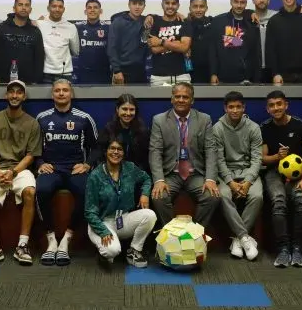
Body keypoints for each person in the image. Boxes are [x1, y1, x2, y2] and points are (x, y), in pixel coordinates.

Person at [0, 80, 40, 267]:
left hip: (20, 169)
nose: (14, 95)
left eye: (18, 92)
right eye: (11, 92)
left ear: (24, 97)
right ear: (6, 95)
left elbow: (31, 155)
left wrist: (13, 172)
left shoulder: (32, 123)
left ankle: (22, 245)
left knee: (29, 192)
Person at [35, 79, 98, 266]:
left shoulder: (84, 118)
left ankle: (66, 239)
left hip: (75, 169)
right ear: (52, 94)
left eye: (65, 90)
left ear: (71, 94)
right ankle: (52, 239)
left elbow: (96, 148)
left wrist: (87, 165)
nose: (61, 93)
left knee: (87, 192)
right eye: (57, 90)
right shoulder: (42, 118)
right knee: (41, 190)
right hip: (51, 168)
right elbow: (34, 147)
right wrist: (40, 163)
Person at [149, 82, 220, 226]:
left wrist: (210, 179)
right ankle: (172, 235)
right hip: (171, 174)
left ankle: (195, 234)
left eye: (185, 97)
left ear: (192, 100)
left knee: (211, 196)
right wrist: (159, 180)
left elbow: (211, 150)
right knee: (159, 197)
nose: (181, 100)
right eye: (177, 96)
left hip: (196, 173)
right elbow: (155, 151)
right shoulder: (159, 120)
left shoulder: (204, 119)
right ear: (172, 99)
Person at [260, 90, 302, 268]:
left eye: (279, 104)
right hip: (274, 172)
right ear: (268, 109)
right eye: (272, 105)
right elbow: (263, 158)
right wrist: (277, 157)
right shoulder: (264, 128)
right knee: (279, 200)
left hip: (299, 173)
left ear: (286, 105)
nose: (276, 108)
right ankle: (283, 249)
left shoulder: (301, 126)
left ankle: (297, 248)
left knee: (300, 199)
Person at [207, 91, 263, 260]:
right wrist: (231, 183)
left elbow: (257, 158)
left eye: (238, 107)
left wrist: (247, 182)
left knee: (257, 196)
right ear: (225, 108)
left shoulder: (253, 127)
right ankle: (245, 237)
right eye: (231, 107)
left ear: (244, 107)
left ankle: (238, 239)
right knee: (223, 195)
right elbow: (219, 160)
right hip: (226, 174)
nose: (235, 110)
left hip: (248, 172)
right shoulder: (217, 129)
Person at [85, 137, 156, 267]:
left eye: (119, 149)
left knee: (150, 215)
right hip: (101, 222)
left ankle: (134, 250)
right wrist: (103, 231)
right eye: (112, 148)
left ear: (124, 153)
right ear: (106, 151)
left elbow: (146, 179)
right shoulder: (95, 176)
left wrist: (145, 194)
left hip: (123, 219)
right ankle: (103, 251)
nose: (116, 152)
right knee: (113, 251)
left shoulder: (130, 168)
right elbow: (89, 211)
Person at [207, 0, 259, 85]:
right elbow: (213, 50)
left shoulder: (252, 23)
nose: (239, 5)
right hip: (223, 78)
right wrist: (213, 73)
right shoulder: (218, 22)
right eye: (236, 2)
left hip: (247, 79)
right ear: (231, 2)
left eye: (242, 2)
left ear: (246, 3)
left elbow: (255, 51)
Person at [0, 0, 44, 85]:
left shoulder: (35, 31)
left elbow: (39, 58)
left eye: (27, 5)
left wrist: (37, 80)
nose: (23, 8)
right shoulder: (1, 28)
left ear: (30, 10)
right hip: (4, 80)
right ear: (14, 8)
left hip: (28, 81)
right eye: (20, 5)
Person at [94, 93, 150, 172]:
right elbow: (99, 152)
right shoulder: (108, 129)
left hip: (136, 174)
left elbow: (145, 159)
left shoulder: (143, 131)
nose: (128, 113)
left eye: (131, 110)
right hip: (113, 173)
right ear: (117, 109)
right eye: (124, 109)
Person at [147, 0, 192, 86]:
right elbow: (154, 49)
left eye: (174, 3)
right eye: (167, 3)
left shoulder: (185, 22)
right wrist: (176, 44)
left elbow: (184, 48)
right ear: (162, 4)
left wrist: (161, 41)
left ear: (178, 5)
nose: (170, 6)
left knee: (183, 100)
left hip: (182, 75)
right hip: (158, 77)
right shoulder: (154, 22)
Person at [37, 0, 80, 83]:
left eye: (60, 7)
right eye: (54, 6)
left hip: (65, 73)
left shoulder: (71, 27)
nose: (57, 9)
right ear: (48, 8)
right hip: (44, 73)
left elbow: (75, 51)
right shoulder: (39, 24)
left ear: (63, 9)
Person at [108, 0, 149, 85]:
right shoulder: (118, 22)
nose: (137, 7)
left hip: (141, 71)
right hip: (122, 71)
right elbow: (112, 48)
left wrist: (178, 14)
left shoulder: (146, 21)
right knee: (122, 99)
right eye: (134, 3)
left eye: (140, 4)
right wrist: (117, 70)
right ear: (129, 5)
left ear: (144, 6)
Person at [75, 0, 110, 84]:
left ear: (101, 11)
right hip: (83, 73)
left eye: (95, 7)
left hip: (103, 73)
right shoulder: (77, 27)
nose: (92, 10)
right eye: (89, 8)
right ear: (85, 11)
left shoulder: (108, 27)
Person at [252, 0, 278, 83]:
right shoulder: (247, 18)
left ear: (269, 0)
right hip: (253, 69)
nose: (261, 0)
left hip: (274, 69)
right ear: (253, 0)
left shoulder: (277, 17)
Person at [187, 0, 213, 84]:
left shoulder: (213, 22)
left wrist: (250, 13)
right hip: (188, 71)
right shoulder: (184, 24)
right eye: (195, 6)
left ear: (206, 8)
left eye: (201, 6)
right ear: (190, 8)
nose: (198, 10)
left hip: (210, 71)